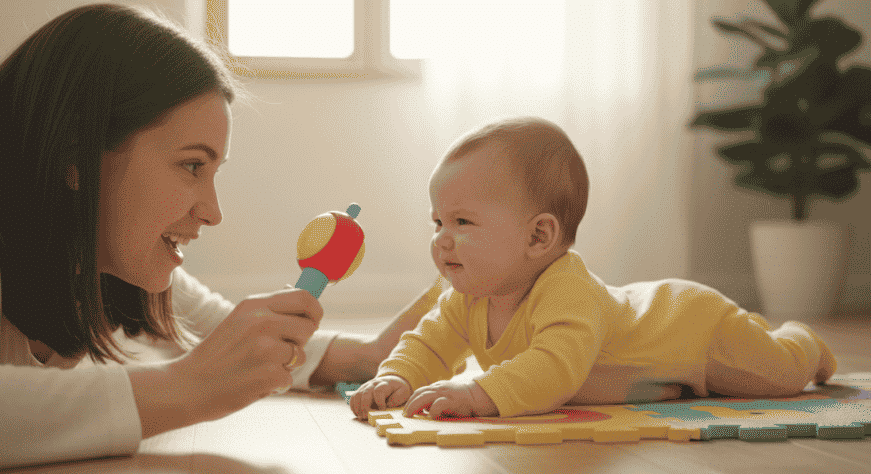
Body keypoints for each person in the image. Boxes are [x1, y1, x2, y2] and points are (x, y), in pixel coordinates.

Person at [0, 3, 443, 474]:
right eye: (192, 166)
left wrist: (375, 355)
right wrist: (185, 389)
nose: (212, 212)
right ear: (76, 157)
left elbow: (215, 328)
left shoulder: (94, 245)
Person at [349, 116, 837, 421]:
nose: (442, 238)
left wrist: (478, 392)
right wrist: (398, 377)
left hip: (693, 328)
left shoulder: (568, 292)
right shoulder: (466, 295)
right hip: (637, 372)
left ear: (539, 237)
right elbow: (428, 342)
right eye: (437, 221)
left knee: (778, 376)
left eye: (462, 221)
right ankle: (671, 386)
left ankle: (803, 341)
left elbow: (555, 369)